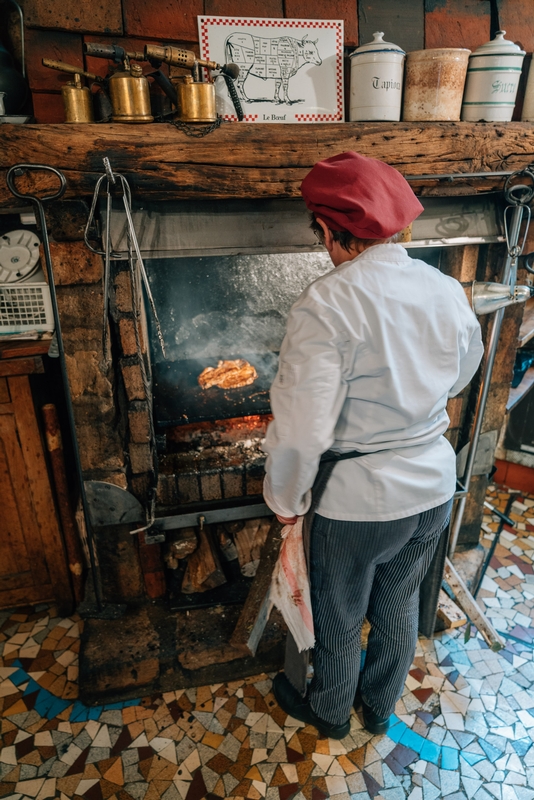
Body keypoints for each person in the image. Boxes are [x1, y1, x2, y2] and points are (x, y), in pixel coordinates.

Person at [262, 151, 484, 740]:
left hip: (357, 505)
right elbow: (463, 371)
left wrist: (284, 500)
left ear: (332, 230)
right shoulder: (443, 288)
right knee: (399, 602)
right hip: (433, 488)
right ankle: (380, 705)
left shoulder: (327, 302)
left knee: (339, 617)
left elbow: (301, 431)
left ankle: (331, 711)